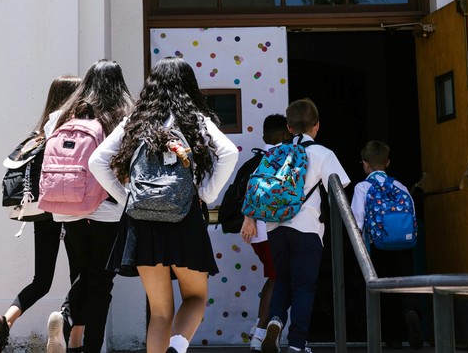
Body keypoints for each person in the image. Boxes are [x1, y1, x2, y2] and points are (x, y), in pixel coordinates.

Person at [89, 57, 239, 353]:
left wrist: (126, 197)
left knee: (159, 312)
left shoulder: (136, 120)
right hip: (184, 217)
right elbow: (229, 153)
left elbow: (97, 161)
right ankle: (177, 347)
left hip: (142, 221)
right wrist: (206, 193)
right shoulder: (195, 118)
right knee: (195, 298)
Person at [242, 98, 350, 353]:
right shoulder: (323, 154)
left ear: (289, 128)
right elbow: (339, 189)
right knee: (304, 286)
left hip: (275, 228)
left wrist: (250, 218)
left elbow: (254, 185)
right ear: (317, 125)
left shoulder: (275, 154)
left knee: (282, 280)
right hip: (307, 229)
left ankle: (276, 320)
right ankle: (297, 344)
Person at [0, 75, 81, 353]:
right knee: (81, 276)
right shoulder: (73, 132)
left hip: (42, 211)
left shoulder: (41, 133)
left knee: (41, 281)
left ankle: (4, 321)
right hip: (70, 210)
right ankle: (71, 335)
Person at [46, 60, 135, 353]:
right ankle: (88, 343)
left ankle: (66, 320)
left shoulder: (60, 117)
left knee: (83, 272)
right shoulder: (122, 116)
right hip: (107, 208)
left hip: (68, 206)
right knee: (100, 281)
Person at [349, 140, 424, 350]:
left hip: (377, 247)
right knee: (404, 285)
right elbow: (412, 216)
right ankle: (411, 312)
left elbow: (356, 221)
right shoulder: (400, 186)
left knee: (383, 291)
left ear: (365, 164)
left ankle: (393, 337)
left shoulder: (363, 187)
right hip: (404, 247)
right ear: (387, 162)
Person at [244, 114, 289, 351]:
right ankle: (260, 335)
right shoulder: (284, 157)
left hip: (257, 234)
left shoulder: (256, 160)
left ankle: (257, 329)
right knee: (277, 280)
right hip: (274, 230)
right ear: (286, 134)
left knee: (273, 277)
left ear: (263, 136)